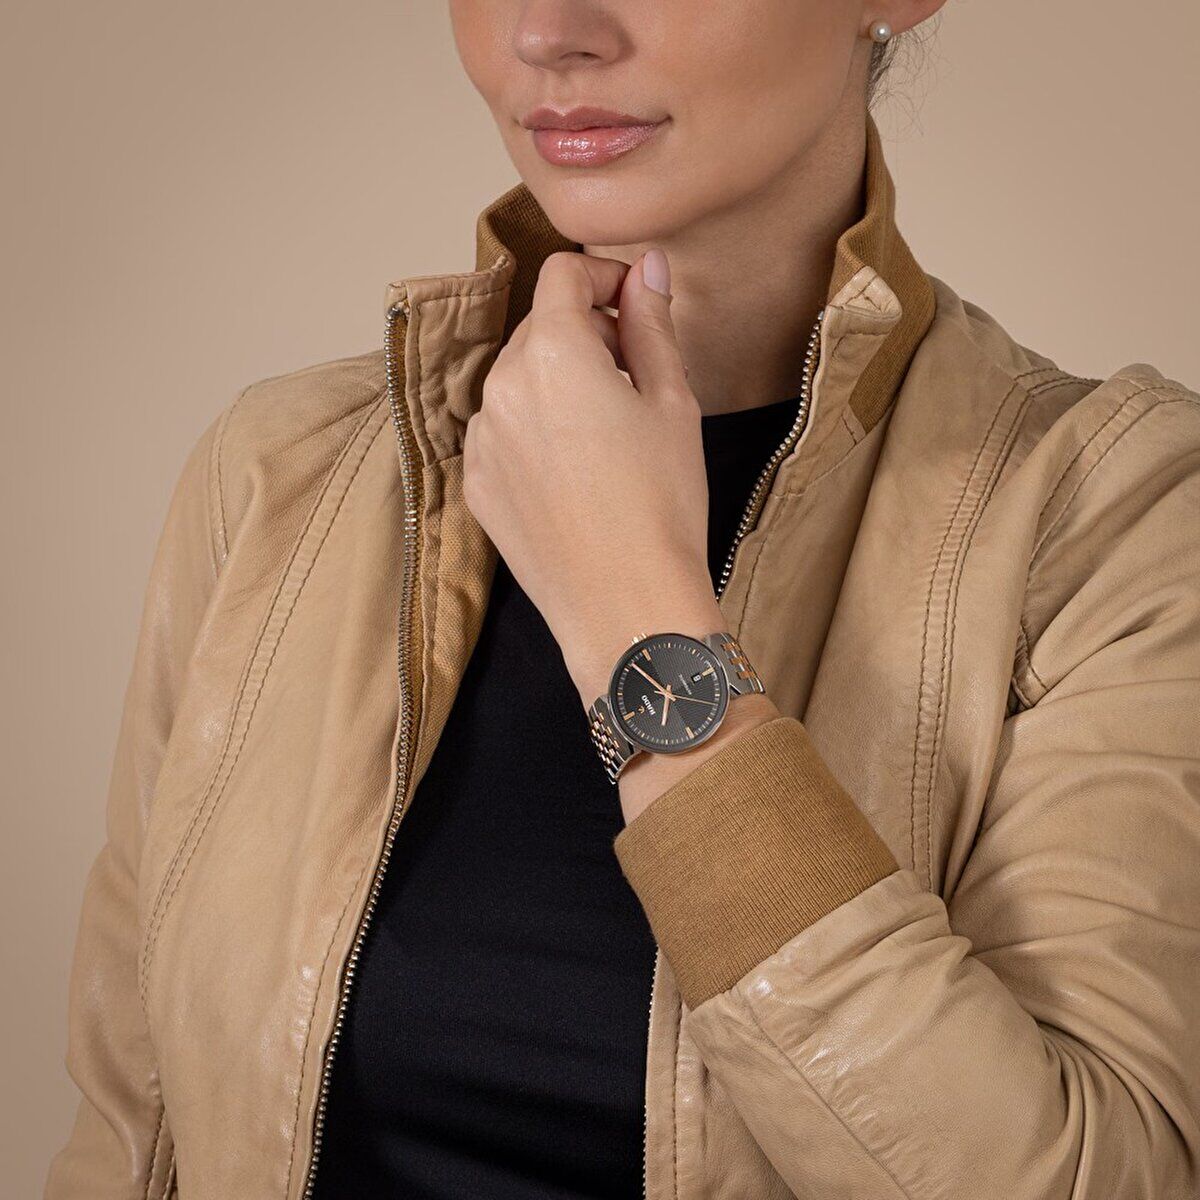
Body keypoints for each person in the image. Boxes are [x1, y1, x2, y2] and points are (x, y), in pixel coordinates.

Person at [45, 3, 1200, 1198]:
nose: (549, 29)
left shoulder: (1116, 520)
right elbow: (129, 1141)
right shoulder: (281, 477)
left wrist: (633, 615)